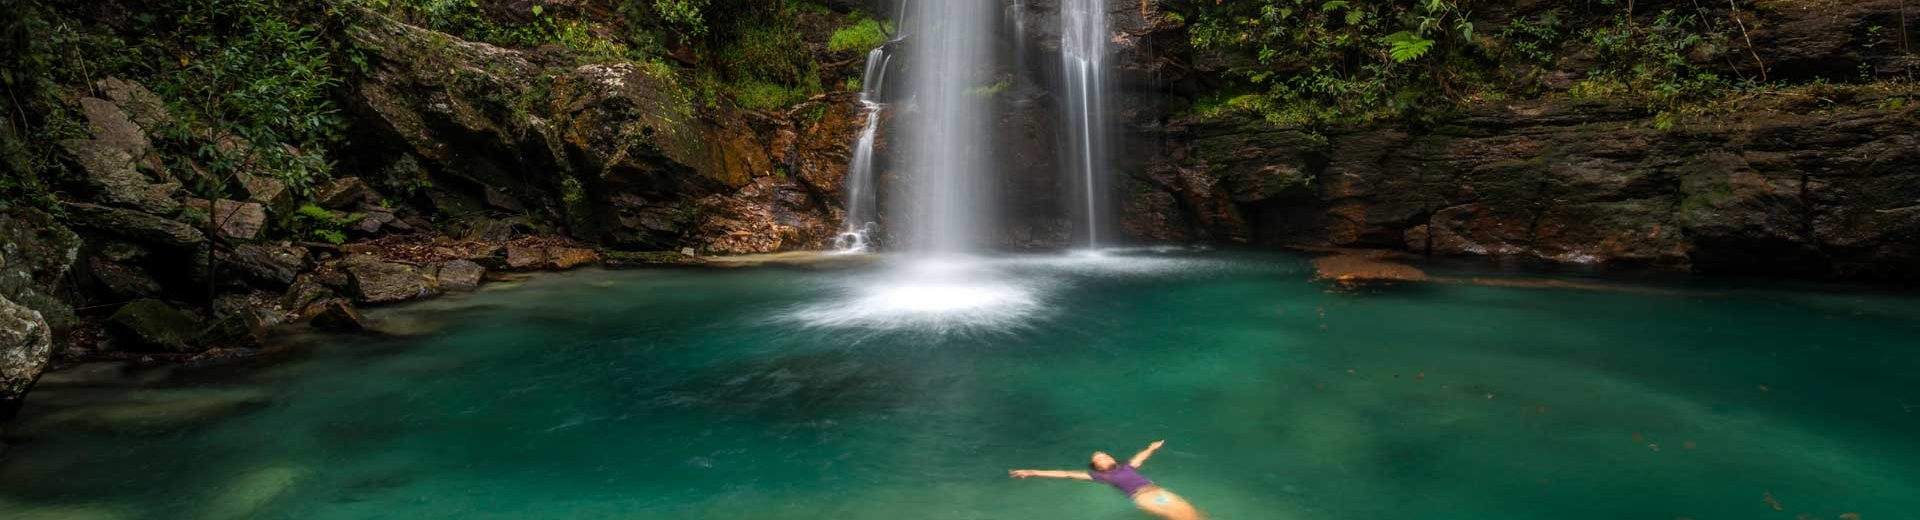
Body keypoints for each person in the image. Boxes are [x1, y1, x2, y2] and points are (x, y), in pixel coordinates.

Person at [1009, 440, 1204, 520]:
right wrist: (1034, 472)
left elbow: (1141, 457)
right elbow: (1065, 474)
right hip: (1144, 498)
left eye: (1105, 455)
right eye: (1099, 459)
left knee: (1196, 516)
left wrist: (1151, 448)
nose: (1104, 458)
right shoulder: (1100, 476)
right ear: (1097, 467)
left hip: (1159, 493)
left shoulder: (1127, 466)